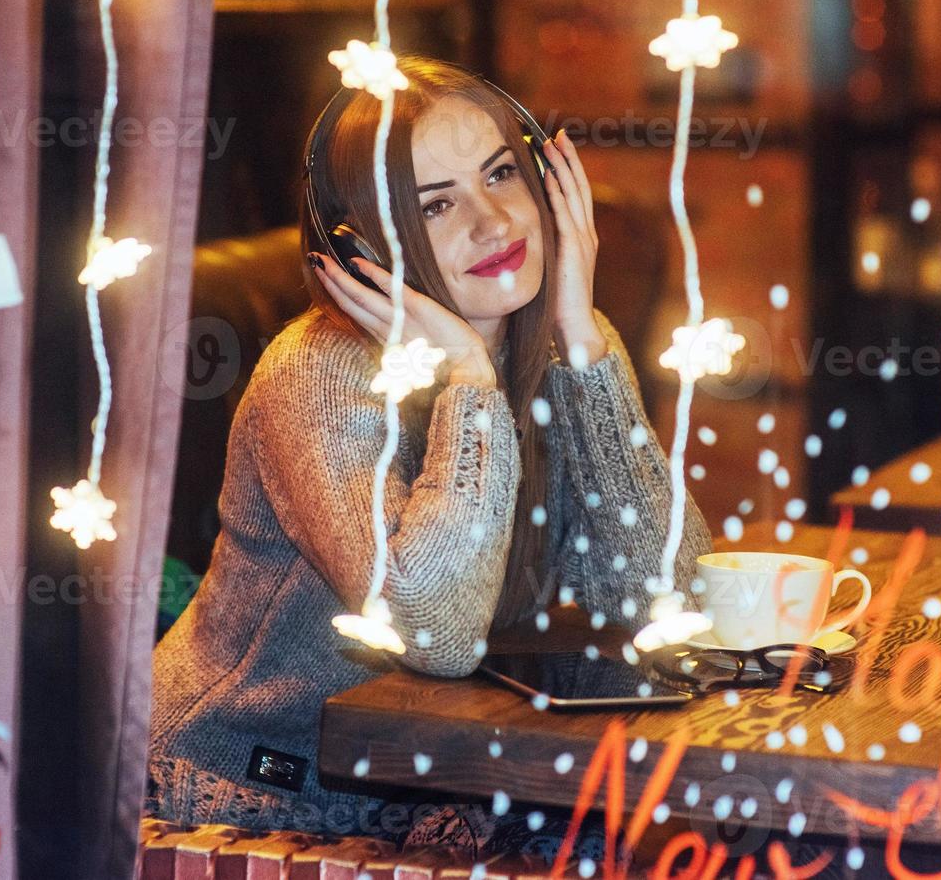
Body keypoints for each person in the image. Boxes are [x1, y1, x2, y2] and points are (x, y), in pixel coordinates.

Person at [145, 56, 710, 855]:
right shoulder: (317, 376)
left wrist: (584, 341)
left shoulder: (559, 337)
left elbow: (663, 594)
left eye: (502, 174)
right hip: (252, 800)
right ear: (362, 248)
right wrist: (470, 384)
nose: (494, 222)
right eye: (436, 205)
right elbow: (432, 632)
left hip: (449, 781)